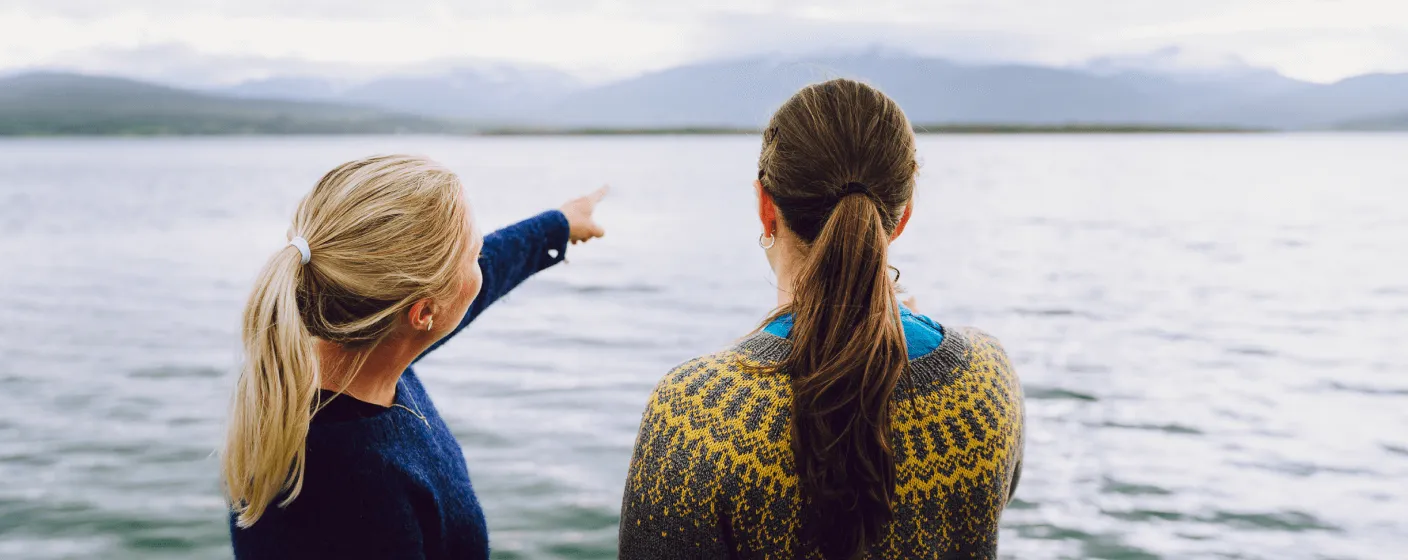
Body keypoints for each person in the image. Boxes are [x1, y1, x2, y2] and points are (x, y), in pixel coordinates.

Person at [619, 79, 1025, 559]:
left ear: (766, 208)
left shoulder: (695, 413)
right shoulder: (988, 377)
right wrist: (896, 329)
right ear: (902, 217)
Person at [223, 155, 607, 559]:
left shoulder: (342, 347)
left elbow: (480, 277)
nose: (483, 261)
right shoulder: (357, 496)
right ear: (423, 314)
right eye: (473, 255)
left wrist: (557, 225)